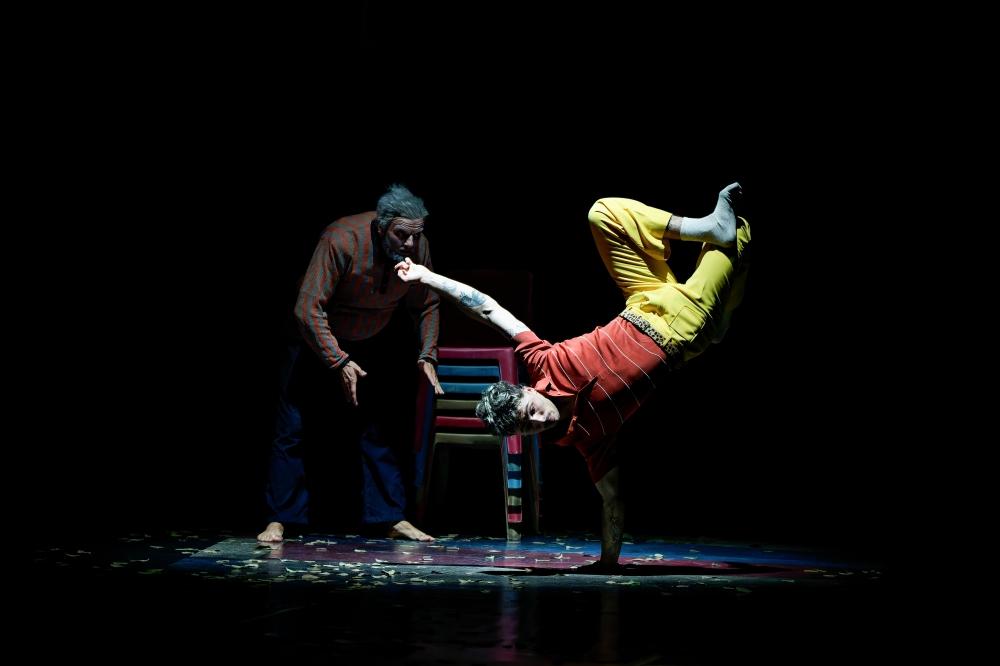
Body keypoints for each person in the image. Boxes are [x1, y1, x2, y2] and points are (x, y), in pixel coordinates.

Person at [394, 183, 751, 568]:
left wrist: (426, 277)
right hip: (682, 326)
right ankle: (721, 314)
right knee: (737, 234)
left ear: (528, 389)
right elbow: (612, 499)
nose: (538, 420)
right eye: (527, 428)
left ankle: (705, 233)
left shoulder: (542, 361)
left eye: (530, 411)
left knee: (603, 213)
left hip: (642, 300)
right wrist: (608, 563)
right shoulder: (587, 437)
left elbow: (486, 308)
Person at [258, 184, 444, 543]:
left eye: (416, 235)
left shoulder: (417, 246)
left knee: (380, 428)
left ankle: (390, 517)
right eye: (401, 235)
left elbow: (427, 304)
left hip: (371, 338)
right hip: (314, 339)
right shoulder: (341, 239)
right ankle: (279, 519)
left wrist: (427, 354)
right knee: (293, 428)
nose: (410, 244)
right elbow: (307, 308)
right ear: (381, 227)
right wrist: (338, 359)